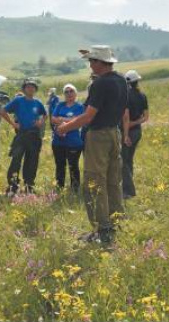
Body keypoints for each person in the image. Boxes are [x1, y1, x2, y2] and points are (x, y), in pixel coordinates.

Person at [57, 46, 128, 244]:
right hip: (114, 132)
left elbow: (89, 116)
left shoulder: (100, 84)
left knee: (94, 182)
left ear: (99, 62)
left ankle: (101, 229)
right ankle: (115, 221)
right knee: (113, 180)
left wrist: (65, 127)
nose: (90, 65)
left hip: (98, 136)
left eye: (91, 61)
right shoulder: (121, 80)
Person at [1, 79, 46, 194]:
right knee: (16, 160)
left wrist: (40, 121)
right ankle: (13, 186)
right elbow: (2, 111)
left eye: (32, 87)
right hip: (21, 135)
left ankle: (29, 186)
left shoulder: (38, 103)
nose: (30, 89)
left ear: (35, 89)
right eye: (28, 87)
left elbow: (45, 114)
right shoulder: (18, 101)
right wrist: (13, 123)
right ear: (24, 89)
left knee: (32, 161)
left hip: (34, 136)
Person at [51, 83, 84, 191]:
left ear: (75, 93)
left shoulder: (80, 106)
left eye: (71, 91)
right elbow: (53, 119)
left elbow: (79, 121)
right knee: (60, 165)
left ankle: (75, 189)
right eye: (66, 92)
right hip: (58, 142)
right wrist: (70, 120)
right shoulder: (60, 105)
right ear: (64, 94)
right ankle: (59, 187)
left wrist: (62, 119)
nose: (69, 93)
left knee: (73, 166)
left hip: (73, 142)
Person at [122, 70, 149, 199]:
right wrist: (136, 123)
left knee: (123, 161)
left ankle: (127, 191)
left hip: (128, 132)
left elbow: (126, 117)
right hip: (137, 131)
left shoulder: (125, 95)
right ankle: (129, 185)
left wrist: (126, 133)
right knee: (129, 159)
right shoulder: (142, 95)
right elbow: (146, 117)